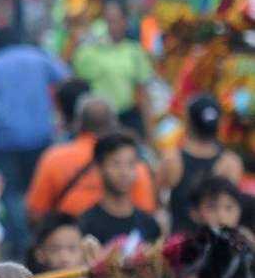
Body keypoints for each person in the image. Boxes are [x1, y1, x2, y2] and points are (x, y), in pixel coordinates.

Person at [0, 27, 69, 257]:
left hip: (4, 141)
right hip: (41, 137)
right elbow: (66, 81)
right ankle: (44, 240)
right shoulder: (39, 57)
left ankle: (23, 246)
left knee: (11, 194)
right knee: (40, 191)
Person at [26, 94, 156, 221]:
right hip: (121, 239)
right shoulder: (133, 164)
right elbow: (147, 211)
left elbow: (36, 213)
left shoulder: (54, 158)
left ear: (78, 124)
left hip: (70, 237)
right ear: (115, 124)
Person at [159, 94, 244, 233]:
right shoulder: (231, 163)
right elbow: (232, 209)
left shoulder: (171, 160)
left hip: (181, 245)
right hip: (213, 243)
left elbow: (157, 205)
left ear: (188, 122)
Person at [72, 0, 154, 133]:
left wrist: (150, 132)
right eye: (107, 21)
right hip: (97, 122)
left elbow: (143, 92)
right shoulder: (88, 52)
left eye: (114, 20)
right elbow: (76, 79)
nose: (110, 26)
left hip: (127, 118)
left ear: (124, 22)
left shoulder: (134, 51)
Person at [78, 131, 161, 245]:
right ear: (99, 167)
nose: (124, 172)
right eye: (116, 164)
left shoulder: (149, 225)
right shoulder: (86, 225)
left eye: (131, 164)